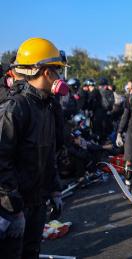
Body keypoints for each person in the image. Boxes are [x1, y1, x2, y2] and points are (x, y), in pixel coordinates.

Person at [0, 37, 65, 258]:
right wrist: (14, 211)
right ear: (46, 72)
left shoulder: (46, 106)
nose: (59, 76)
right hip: (13, 209)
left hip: (37, 203)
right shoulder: (15, 108)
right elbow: (1, 164)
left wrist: (55, 189)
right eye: (57, 70)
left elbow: (49, 154)